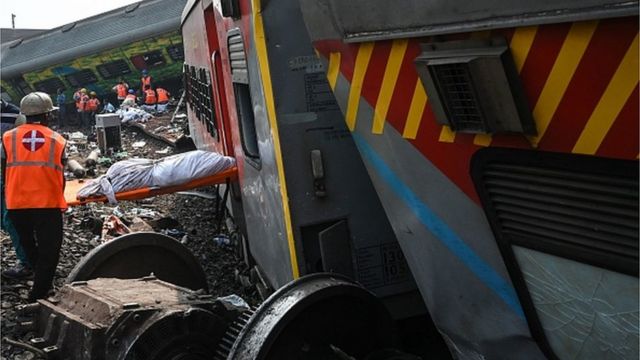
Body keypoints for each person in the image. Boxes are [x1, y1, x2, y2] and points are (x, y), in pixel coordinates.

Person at [1, 92, 67, 301]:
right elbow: (62, 173)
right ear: (47, 115)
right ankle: (39, 292)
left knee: (28, 243)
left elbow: (4, 170)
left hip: (16, 202)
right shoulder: (57, 140)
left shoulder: (7, 138)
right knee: (50, 249)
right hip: (47, 202)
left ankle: (42, 282)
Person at [0, 99, 32, 279]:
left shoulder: (15, 114)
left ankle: (27, 262)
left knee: (10, 218)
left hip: (9, 173)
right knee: (5, 220)